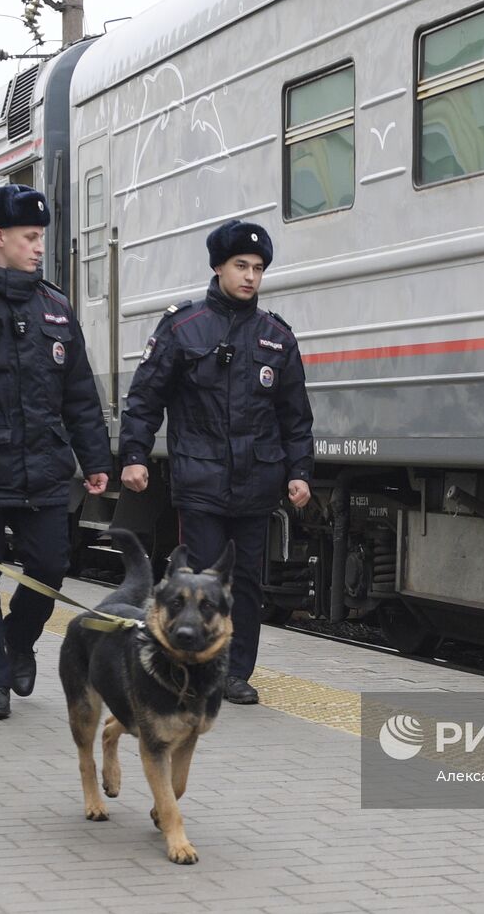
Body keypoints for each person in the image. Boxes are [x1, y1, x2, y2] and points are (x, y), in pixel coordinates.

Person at [120, 219, 313, 705]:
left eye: (258, 268)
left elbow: (295, 416)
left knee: (246, 581)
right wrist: (135, 456)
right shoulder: (182, 328)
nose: (250, 276)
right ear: (219, 267)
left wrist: (300, 473)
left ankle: (233, 672)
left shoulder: (276, 338)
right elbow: (145, 399)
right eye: (241, 266)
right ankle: (190, 666)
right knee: (200, 579)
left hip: (257, 482)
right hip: (200, 479)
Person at [0, 184, 112, 720]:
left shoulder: (55, 307)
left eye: (41, 238)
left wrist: (97, 459)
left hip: (42, 467)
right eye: (31, 238)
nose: (40, 247)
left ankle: (19, 640)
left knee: (50, 566)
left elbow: (80, 393)